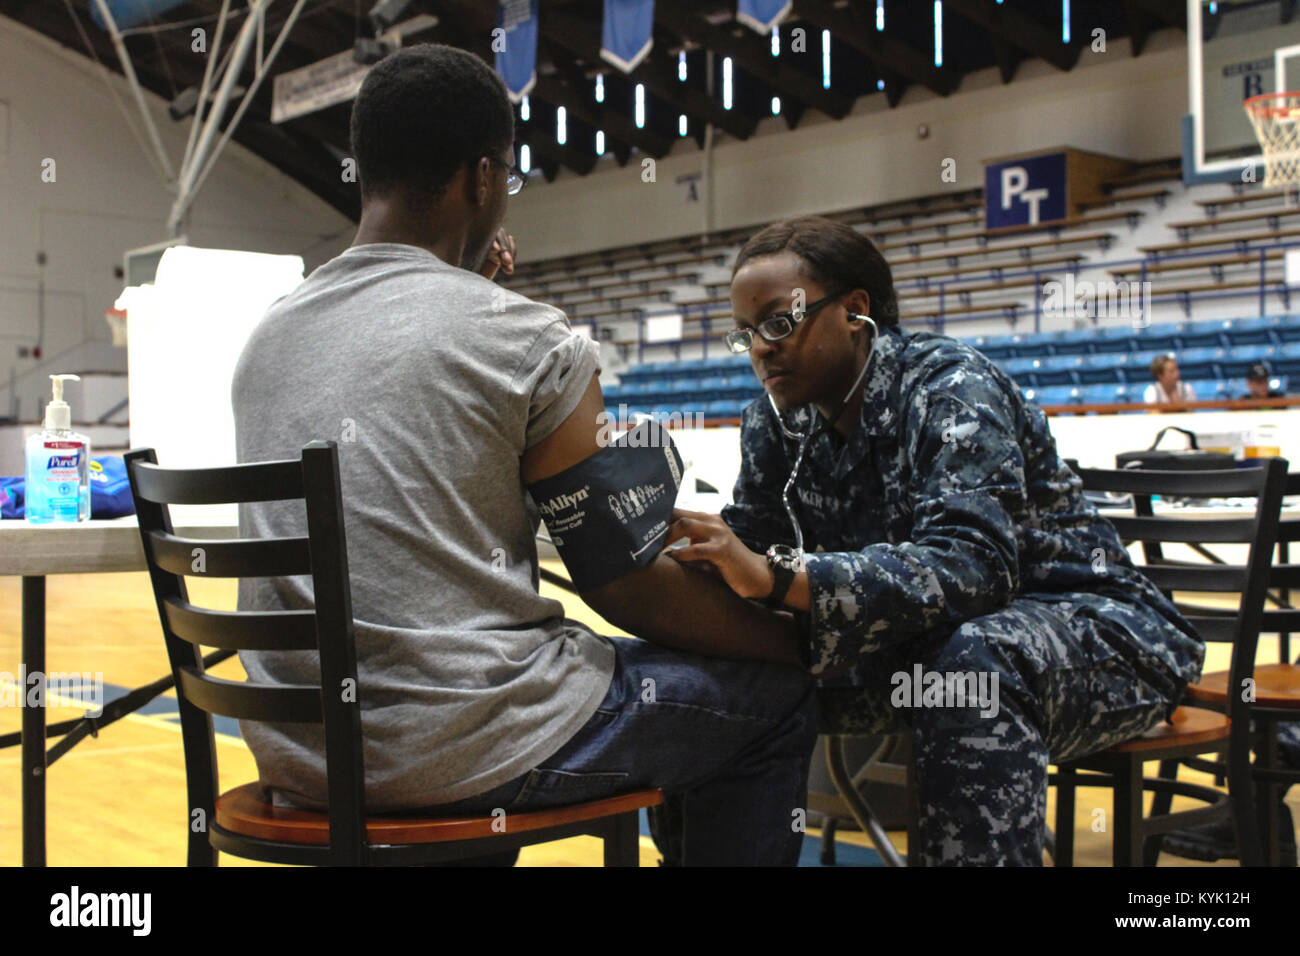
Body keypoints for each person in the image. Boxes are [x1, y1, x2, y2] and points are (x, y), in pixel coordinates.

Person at [230, 44, 818, 866]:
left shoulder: (267, 336)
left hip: (303, 757)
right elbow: (624, 589)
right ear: (482, 179)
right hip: (460, 752)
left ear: (363, 173)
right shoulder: (522, 336)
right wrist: (796, 636)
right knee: (773, 699)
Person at [665, 216, 1205, 866]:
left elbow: (974, 567)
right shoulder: (775, 425)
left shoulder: (950, 388)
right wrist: (676, 565)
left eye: (780, 323)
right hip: (925, 651)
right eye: (746, 334)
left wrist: (780, 578)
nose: (761, 349)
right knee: (699, 677)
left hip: (1103, 637)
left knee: (976, 666)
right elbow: (750, 555)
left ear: (855, 312)